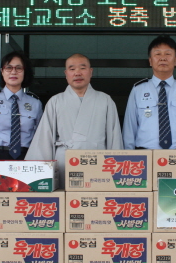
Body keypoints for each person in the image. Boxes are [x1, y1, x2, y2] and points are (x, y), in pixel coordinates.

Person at [26, 54, 123, 186]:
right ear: (66, 74)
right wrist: (39, 177)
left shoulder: (105, 100)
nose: (77, 73)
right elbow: (44, 139)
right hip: (65, 163)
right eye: (72, 69)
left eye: (82, 68)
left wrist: (116, 172)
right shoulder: (55, 101)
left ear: (91, 72)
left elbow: (114, 138)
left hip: (97, 164)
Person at [123, 36, 176, 150]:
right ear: (150, 61)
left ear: (175, 60)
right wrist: (129, 155)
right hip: (145, 154)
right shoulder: (138, 90)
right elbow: (129, 128)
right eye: (158, 54)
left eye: (168, 54)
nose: (163, 58)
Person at [0, 51, 42, 161]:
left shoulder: (35, 103)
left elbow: (39, 136)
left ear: (25, 72)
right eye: (8, 68)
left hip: (26, 157)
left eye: (18, 68)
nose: (13, 72)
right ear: (2, 71)